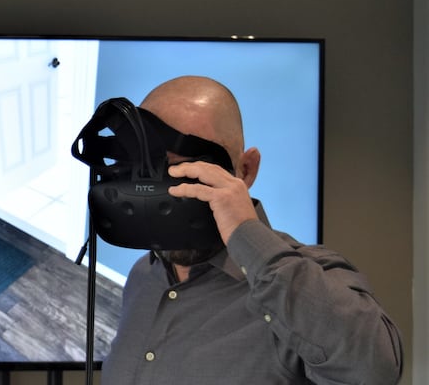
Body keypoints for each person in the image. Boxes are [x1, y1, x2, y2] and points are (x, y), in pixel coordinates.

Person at [100, 75, 403, 384]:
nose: (169, 192)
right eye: (151, 170)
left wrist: (245, 232)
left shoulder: (314, 279)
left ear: (245, 170)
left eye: (189, 170)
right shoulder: (143, 276)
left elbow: (374, 371)